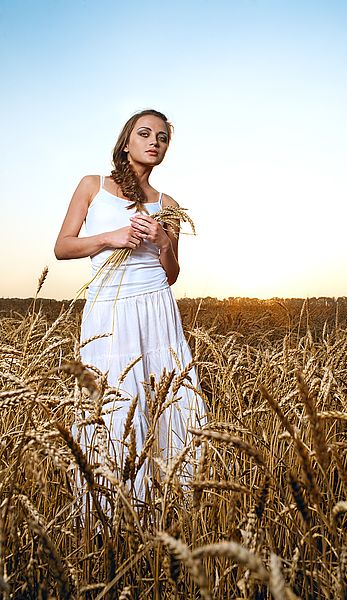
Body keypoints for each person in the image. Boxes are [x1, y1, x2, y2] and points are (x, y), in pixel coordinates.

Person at [54, 108, 206, 499]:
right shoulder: (93, 185)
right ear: (126, 142)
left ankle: (169, 502)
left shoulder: (168, 203)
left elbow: (171, 274)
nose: (154, 142)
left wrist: (163, 241)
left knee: (164, 398)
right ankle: (109, 506)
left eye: (162, 138)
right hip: (109, 306)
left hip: (156, 307)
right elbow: (63, 247)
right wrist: (112, 237)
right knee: (112, 401)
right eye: (145, 134)